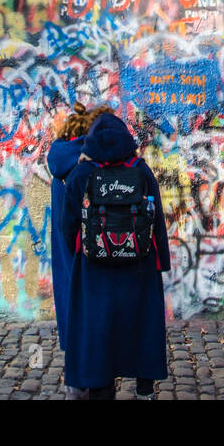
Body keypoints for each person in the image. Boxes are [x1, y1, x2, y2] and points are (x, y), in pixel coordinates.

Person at [61, 112, 169, 399]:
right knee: (142, 326)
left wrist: (79, 257)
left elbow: (67, 224)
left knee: (98, 328)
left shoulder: (81, 174)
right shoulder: (141, 170)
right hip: (139, 266)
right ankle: (144, 387)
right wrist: (162, 262)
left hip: (94, 269)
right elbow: (156, 218)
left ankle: (100, 386)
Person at [45, 102, 110, 399]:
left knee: (72, 317)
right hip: (96, 255)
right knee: (97, 321)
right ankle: (97, 382)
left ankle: (75, 384)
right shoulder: (95, 164)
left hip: (66, 255)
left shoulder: (58, 162)